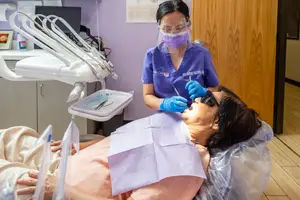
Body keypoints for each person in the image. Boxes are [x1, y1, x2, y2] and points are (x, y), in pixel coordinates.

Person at [1, 86, 262, 200]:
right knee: (14, 135)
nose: (198, 97)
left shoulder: (185, 166)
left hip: (58, 191)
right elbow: (122, 143)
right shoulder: (172, 125)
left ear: (216, 123)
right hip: (63, 164)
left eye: (207, 100)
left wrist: (57, 189)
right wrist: (82, 147)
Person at [142, 0, 219, 113]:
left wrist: (204, 92)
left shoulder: (202, 54)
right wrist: (164, 104)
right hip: (165, 118)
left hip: (197, 117)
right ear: (159, 27)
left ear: (188, 24)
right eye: (167, 29)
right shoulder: (152, 56)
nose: (173, 33)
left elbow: (215, 88)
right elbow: (148, 96)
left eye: (179, 28)